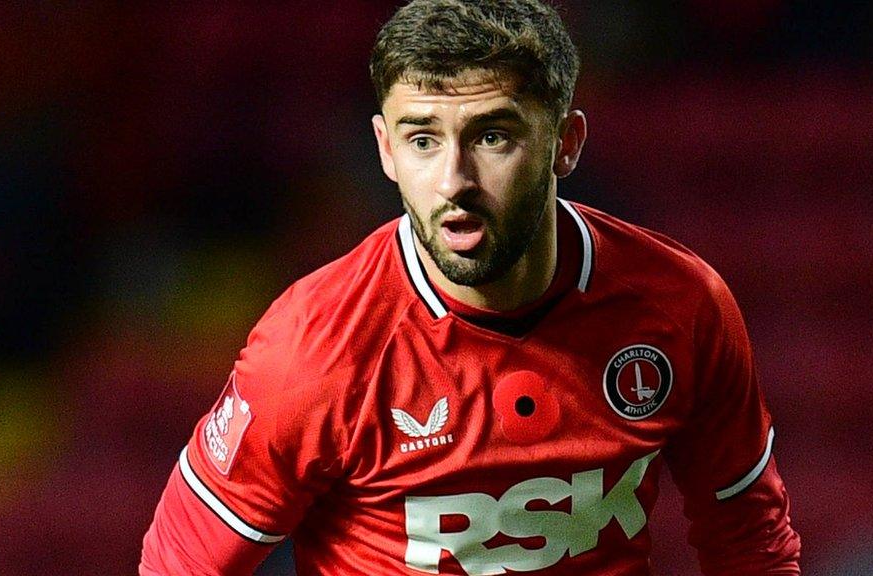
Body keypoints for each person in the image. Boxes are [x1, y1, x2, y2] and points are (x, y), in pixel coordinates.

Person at [140, 1, 801, 574]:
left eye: (491, 136)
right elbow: (180, 565)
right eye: (423, 139)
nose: (455, 180)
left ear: (566, 143)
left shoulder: (681, 307)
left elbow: (750, 540)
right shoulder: (311, 350)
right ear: (385, 151)